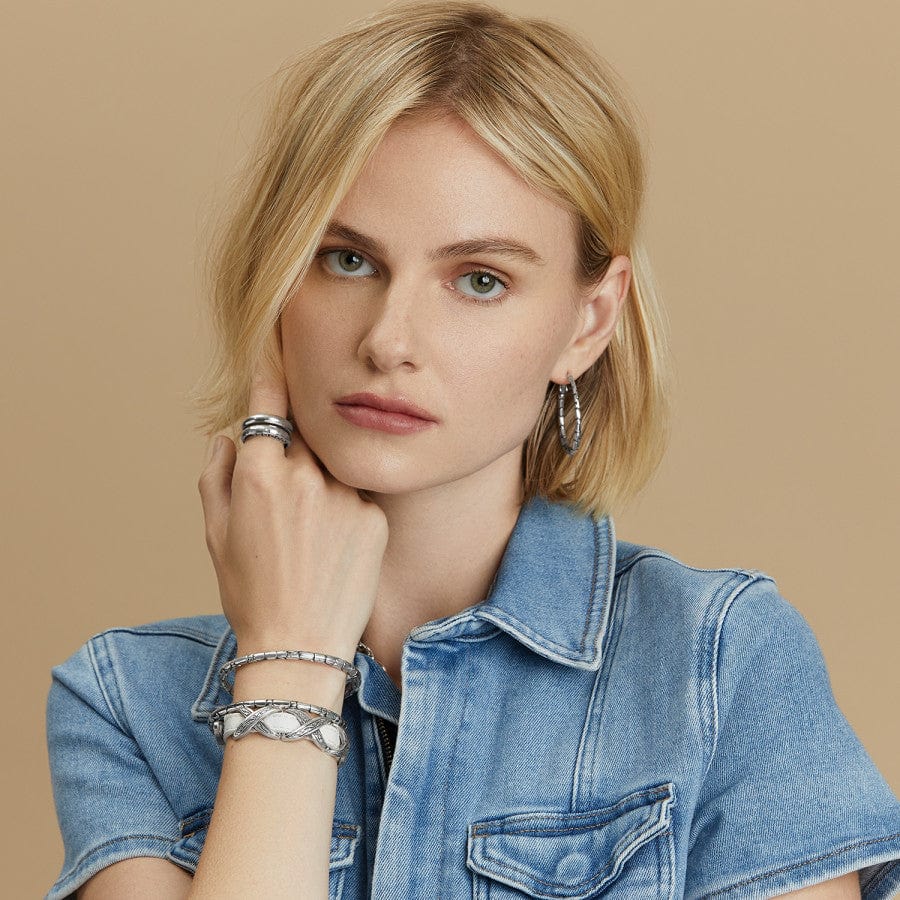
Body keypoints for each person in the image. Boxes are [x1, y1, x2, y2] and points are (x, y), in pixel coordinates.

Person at [44, 1, 900, 898]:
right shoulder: (126, 703)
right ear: (277, 277)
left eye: (480, 280)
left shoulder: (717, 667)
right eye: (346, 260)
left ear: (588, 320)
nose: (389, 339)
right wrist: (288, 666)